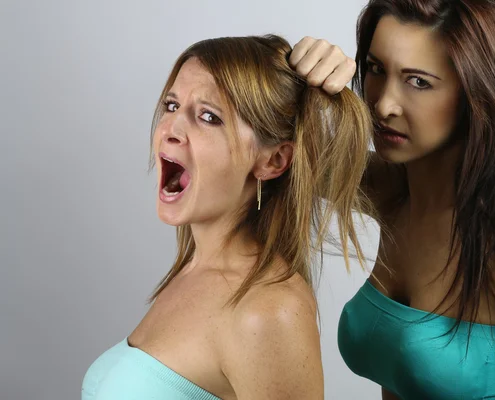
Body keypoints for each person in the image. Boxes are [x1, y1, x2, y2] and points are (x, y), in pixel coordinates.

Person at [290, 0, 495, 399]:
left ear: (480, 94)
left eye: (418, 81)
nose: (382, 105)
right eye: (376, 69)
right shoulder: (393, 191)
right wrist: (299, 74)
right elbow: (279, 155)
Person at [81, 34, 373, 400]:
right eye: (172, 106)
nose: (171, 130)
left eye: (208, 116)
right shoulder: (192, 270)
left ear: (273, 161)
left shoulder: (269, 311)